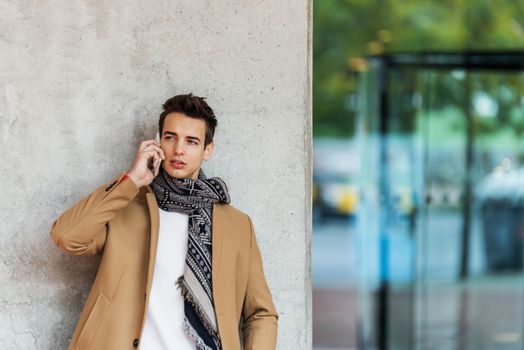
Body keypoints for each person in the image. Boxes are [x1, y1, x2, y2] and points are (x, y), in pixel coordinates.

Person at [50, 93, 278, 350]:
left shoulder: (237, 225)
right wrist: (132, 181)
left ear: (208, 150)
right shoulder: (126, 206)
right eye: (171, 137)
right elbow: (67, 236)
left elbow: (261, 313)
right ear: (158, 142)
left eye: (192, 141)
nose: (179, 149)